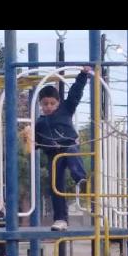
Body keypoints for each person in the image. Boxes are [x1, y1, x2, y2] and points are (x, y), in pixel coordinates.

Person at [31, 66, 91, 231]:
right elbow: (35, 143)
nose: (49, 106)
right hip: (53, 155)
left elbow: (75, 93)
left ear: (58, 103)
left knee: (72, 151)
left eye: (52, 103)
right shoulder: (40, 123)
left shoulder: (65, 110)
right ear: (40, 105)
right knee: (55, 185)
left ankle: (81, 179)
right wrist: (30, 142)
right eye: (45, 104)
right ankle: (60, 219)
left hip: (68, 147)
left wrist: (83, 75)